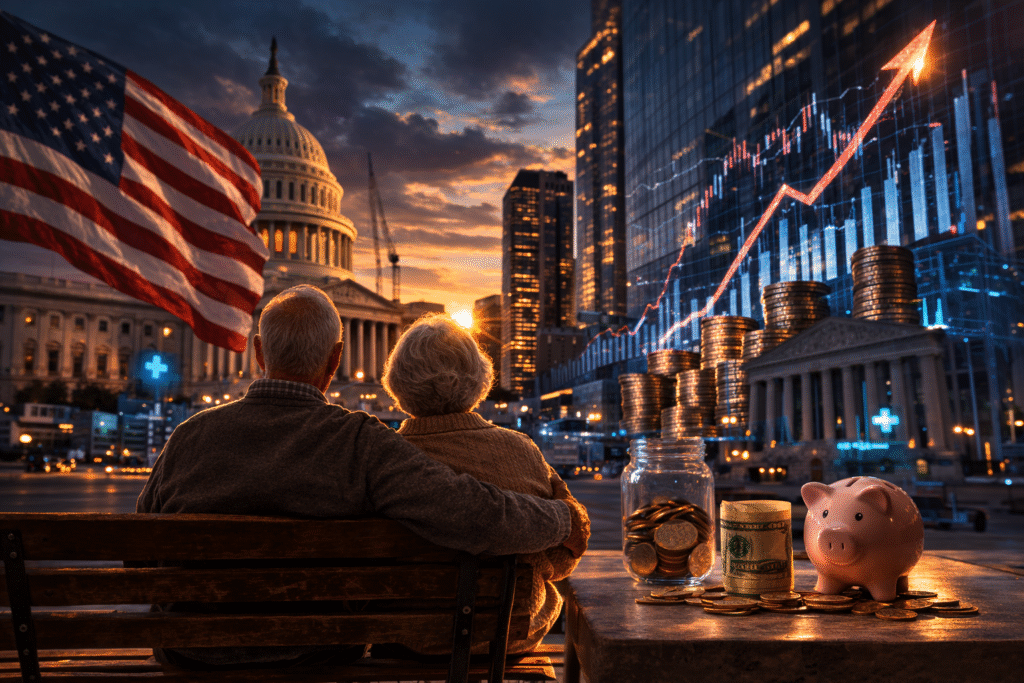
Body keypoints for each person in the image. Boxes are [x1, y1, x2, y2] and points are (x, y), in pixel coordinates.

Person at [136, 285, 587, 669]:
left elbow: (140, 558)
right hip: (313, 653)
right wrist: (562, 519)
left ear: (258, 351)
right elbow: (472, 514)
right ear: (335, 360)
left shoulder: (187, 437)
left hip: (189, 651)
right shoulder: (358, 443)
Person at [382, 314, 590, 654]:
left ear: (397, 383)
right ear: (479, 378)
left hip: (408, 638)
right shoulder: (521, 450)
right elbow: (562, 562)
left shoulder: (385, 458)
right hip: (506, 634)